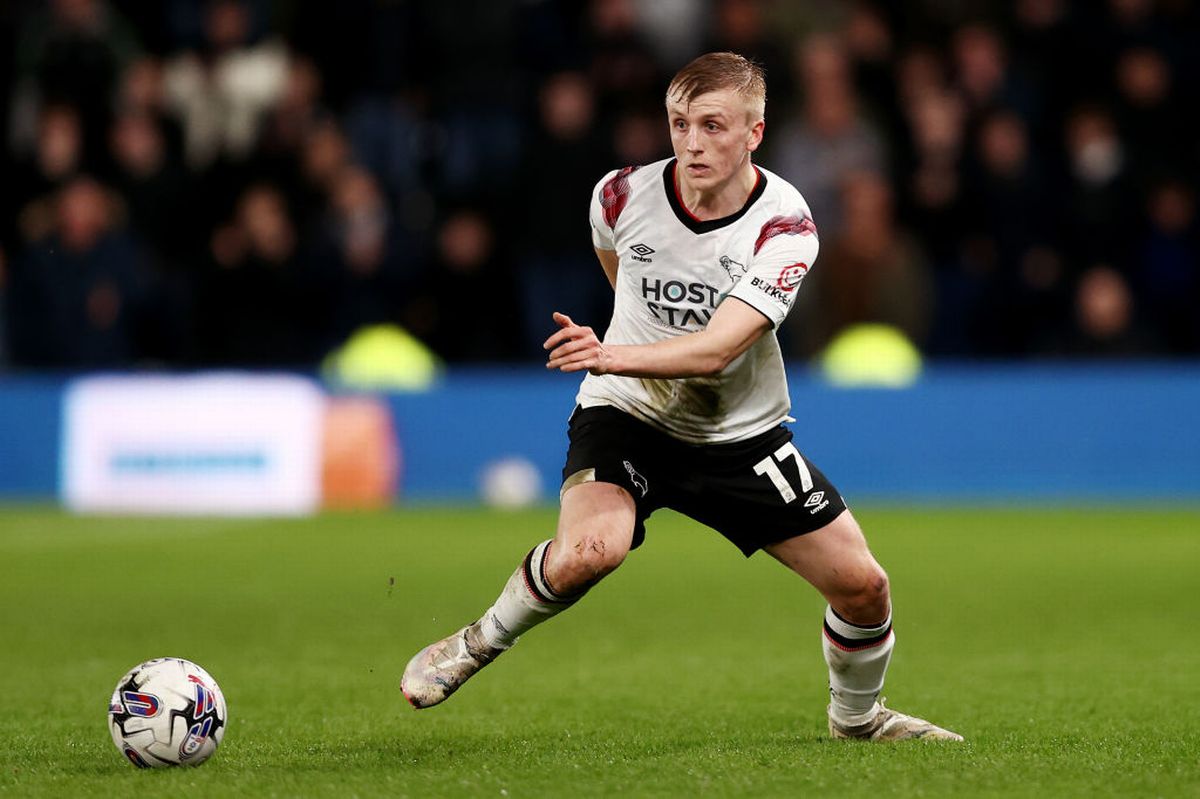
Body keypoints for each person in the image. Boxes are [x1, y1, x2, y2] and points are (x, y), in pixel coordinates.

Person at [401, 52, 962, 742]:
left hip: (738, 434)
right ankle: (477, 641)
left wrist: (611, 350)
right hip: (627, 413)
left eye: (713, 125)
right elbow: (620, 269)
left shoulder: (785, 225)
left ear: (754, 134)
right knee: (589, 551)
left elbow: (719, 348)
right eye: (679, 123)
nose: (692, 142)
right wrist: (618, 364)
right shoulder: (618, 195)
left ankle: (857, 719)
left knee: (865, 587)